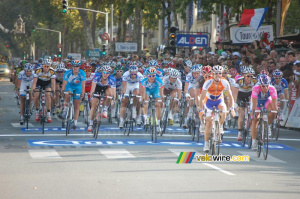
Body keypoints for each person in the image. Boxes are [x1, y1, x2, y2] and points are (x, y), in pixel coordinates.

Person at [198, 65, 234, 153]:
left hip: (218, 100)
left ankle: (220, 126)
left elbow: (230, 96)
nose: (217, 75)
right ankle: (206, 143)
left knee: (224, 109)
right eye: (216, 73)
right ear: (212, 74)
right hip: (209, 102)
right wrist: (201, 109)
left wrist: (232, 108)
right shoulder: (208, 82)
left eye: (219, 73)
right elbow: (202, 97)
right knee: (209, 122)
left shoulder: (225, 82)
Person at [250, 74, 277, 151]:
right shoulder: (255, 88)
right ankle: (254, 141)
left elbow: (275, 104)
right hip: (257, 102)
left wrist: (276, 113)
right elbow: (254, 103)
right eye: (263, 86)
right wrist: (254, 112)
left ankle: (267, 125)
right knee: (255, 120)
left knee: (272, 110)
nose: (265, 88)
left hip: (266, 101)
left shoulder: (272, 89)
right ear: (259, 85)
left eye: (267, 86)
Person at [87, 65, 116, 132]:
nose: (105, 74)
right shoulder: (97, 76)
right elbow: (93, 88)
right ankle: (91, 123)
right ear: (101, 72)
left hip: (106, 88)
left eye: (107, 73)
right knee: (94, 105)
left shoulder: (112, 79)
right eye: (104, 72)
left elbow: (113, 92)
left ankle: (105, 109)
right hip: (97, 88)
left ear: (110, 73)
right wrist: (91, 96)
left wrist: (113, 100)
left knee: (109, 93)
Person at [233, 68, 257, 141]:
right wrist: (235, 103)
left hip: (250, 94)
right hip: (241, 95)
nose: (249, 78)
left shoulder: (255, 81)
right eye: (248, 76)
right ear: (244, 76)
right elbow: (235, 93)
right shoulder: (239, 81)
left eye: (251, 76)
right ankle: (239, 132)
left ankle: (250, 124)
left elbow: (256, 93)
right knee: (241, 113)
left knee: (252, 110)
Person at [61, 60, 86, 129]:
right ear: (72, 66)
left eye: (77, 66)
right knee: (68, 94)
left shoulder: (82, 73)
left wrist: (82, 95)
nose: (75, 68)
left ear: (79, 67)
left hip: (78, 87)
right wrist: (62, 91)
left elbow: (83, 85)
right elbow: (64, 84)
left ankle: (75, 122)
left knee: (77, 105)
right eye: (74, 66)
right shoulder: (67, 73)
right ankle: (65, 108)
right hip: (70, 86)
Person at [140, 67, 163, 132]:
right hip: (147, 90)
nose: (152, 77)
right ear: (147, 75)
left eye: (153, 75)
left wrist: (161, 100)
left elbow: (161, 91)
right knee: (146, 101)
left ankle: (158, 124)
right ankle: (146, 119)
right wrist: (143, 99)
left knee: (158, 104)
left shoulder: (159, 81)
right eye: (150, 75)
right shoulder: (144, 81)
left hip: (155, 90)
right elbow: (143, 92)